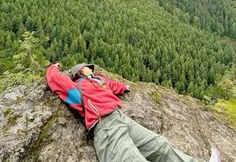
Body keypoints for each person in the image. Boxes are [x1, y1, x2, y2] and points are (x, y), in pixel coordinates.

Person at [46, 62, 220, 162]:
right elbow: (55, 80)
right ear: (79, 72)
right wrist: (53, 67)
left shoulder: (100, 80)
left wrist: (125, 87)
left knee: (160, 145)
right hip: (105, 127)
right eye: (87, 67)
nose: (91, 68)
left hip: (121, 119)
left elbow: (114, 86)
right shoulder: (77, 88)